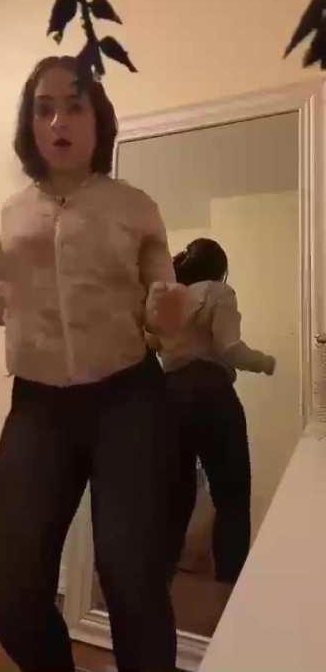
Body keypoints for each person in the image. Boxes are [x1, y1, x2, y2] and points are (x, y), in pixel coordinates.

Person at [0, 56, 186, 672]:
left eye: (74, 106)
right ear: (29, 123)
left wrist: (167, 310)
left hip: (128, 400)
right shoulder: (15, 213)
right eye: (43, 109)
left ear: (99, 118)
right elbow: (11, 305)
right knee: (11, 587)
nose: (58, 122)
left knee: (132, 580)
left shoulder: (135, 206)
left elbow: (162, 316)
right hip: (39, 407)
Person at [148, 238, 276, 586]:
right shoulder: (218, 292)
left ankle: (159, 578)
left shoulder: (169, 297)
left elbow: (152, 344)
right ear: (219, 268)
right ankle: (230, 585)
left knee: (175, 493)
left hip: (169, 394)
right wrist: (266, 362)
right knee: (232, 492)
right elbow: (230, 348)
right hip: (210, 391)